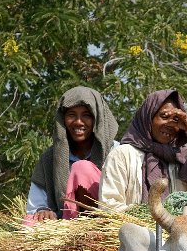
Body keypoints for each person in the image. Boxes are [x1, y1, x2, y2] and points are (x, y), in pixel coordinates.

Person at [99, 88, 187, 212]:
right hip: (138, 234)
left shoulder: (184, 158)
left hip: (181, 235)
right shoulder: (124, 154)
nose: (169, 124)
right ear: (148, 118)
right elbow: (109, 206)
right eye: (164, 116)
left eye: (176, 120)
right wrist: (153, 216)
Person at [23, 86, 119, 224]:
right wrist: (43, 210)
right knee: (29, 223)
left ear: (97, 119)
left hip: (107, 221)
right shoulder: (50, 159)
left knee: (81, 169)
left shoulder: (116, 152)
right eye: (71, 115)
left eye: (86, 115)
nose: (78, 122)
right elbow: (35, 206)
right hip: (65, 224)